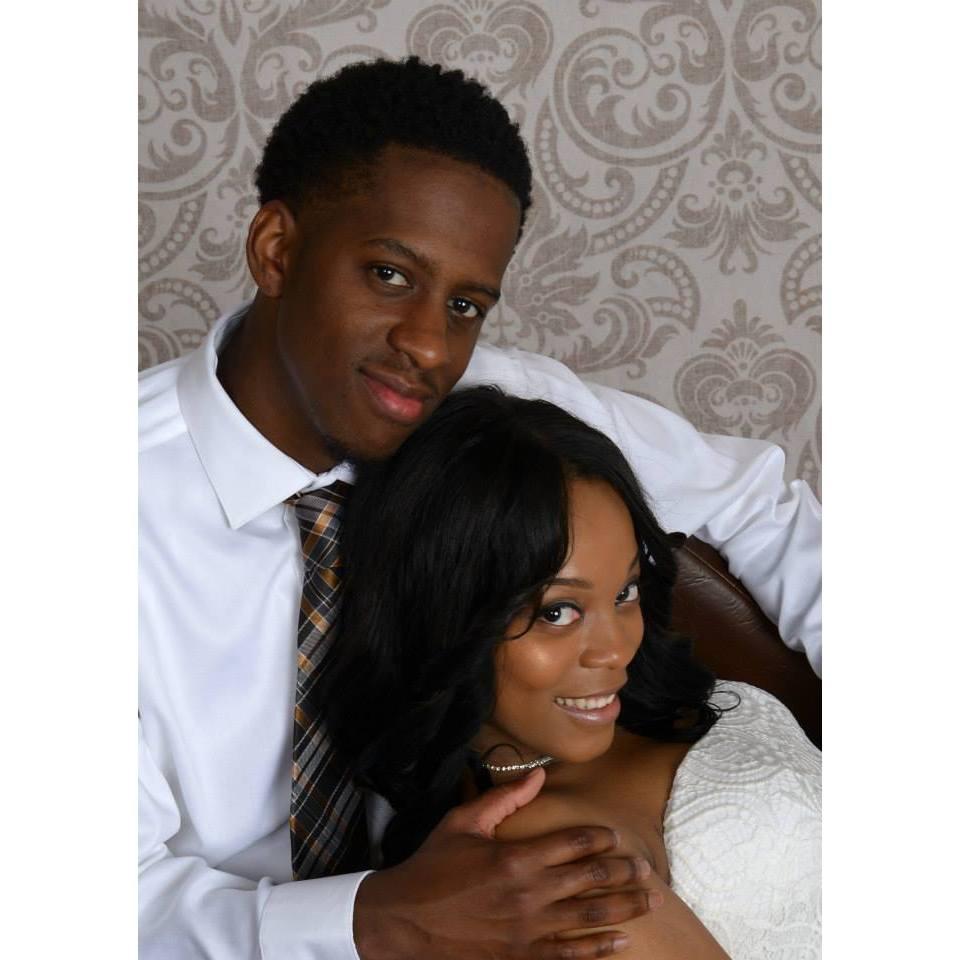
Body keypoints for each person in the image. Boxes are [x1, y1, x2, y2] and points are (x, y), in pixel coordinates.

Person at [139, 57, 821, 958]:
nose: (429, 345)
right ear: (277, 249)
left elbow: (761, 506)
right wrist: (375, 919)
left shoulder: (490, 412)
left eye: (466, 304)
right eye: (389, 275)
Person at [323, 385, 821, 960]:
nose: (615, 650)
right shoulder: (545, 866)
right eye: (557, 612)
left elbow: (758, 497)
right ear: (445, 620)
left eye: (625, 592)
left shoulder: (657, 703)